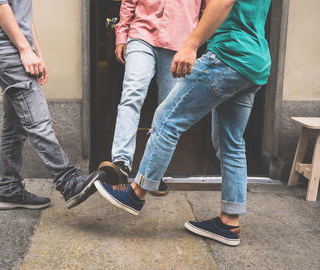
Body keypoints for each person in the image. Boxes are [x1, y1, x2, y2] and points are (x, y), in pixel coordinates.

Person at [94, 0, 271, 246]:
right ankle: (229, 222)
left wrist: (191, 44)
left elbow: (224, 2)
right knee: (231, 142)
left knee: (167, 119)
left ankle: (136, 193)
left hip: (228, 55)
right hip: (255, 61)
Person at [0, 0, 105, 210]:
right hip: (6, 49)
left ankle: (9, 190)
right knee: (38, 120)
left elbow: (24, 16)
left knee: (14, 127)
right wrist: (25, 49)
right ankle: (68, 181)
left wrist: (37, 54)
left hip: (12, 50)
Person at [98, 0, 207, 196]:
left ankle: (151, 174)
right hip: (142, 36)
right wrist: (121, 36)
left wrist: (195, 44)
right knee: (132, 94)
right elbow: (129, 2)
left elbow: (208, 10)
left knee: (167, 111)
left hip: (180, 43)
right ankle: (121, 164)